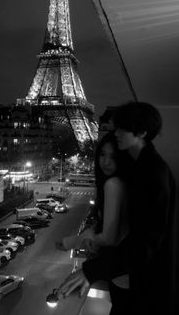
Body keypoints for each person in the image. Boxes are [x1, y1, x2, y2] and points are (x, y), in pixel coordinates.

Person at [58, 102, 179, 315]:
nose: (117, 133)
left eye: (123, 128)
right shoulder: (142, 167)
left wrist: (91, 271)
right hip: (148, 283)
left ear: (141, 132)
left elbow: (144, 243)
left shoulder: (151, 174)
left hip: (157, 290)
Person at [56, 131, 130, 314]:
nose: (105, 161)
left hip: (121, 274)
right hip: (128, 272)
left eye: (113, 156)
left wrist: (74, 242)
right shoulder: (126, 183)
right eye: (102, 155)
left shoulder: (112, 185)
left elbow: (110, 237)